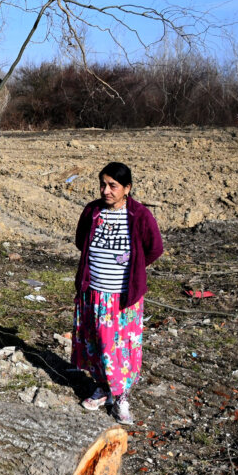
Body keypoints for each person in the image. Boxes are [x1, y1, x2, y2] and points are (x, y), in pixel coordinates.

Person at [71, 162, 163, 425]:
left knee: (120, 347)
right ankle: (101, 387)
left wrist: (134, 264)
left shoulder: (139, 215)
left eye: (113, 186)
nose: (106, 190)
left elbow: (154, 248)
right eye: (103, 184)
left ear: (127, 189)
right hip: (94, 293)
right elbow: (81, 242)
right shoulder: (92, 211)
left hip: (123, 296)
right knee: (98, 342)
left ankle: (121, 395)